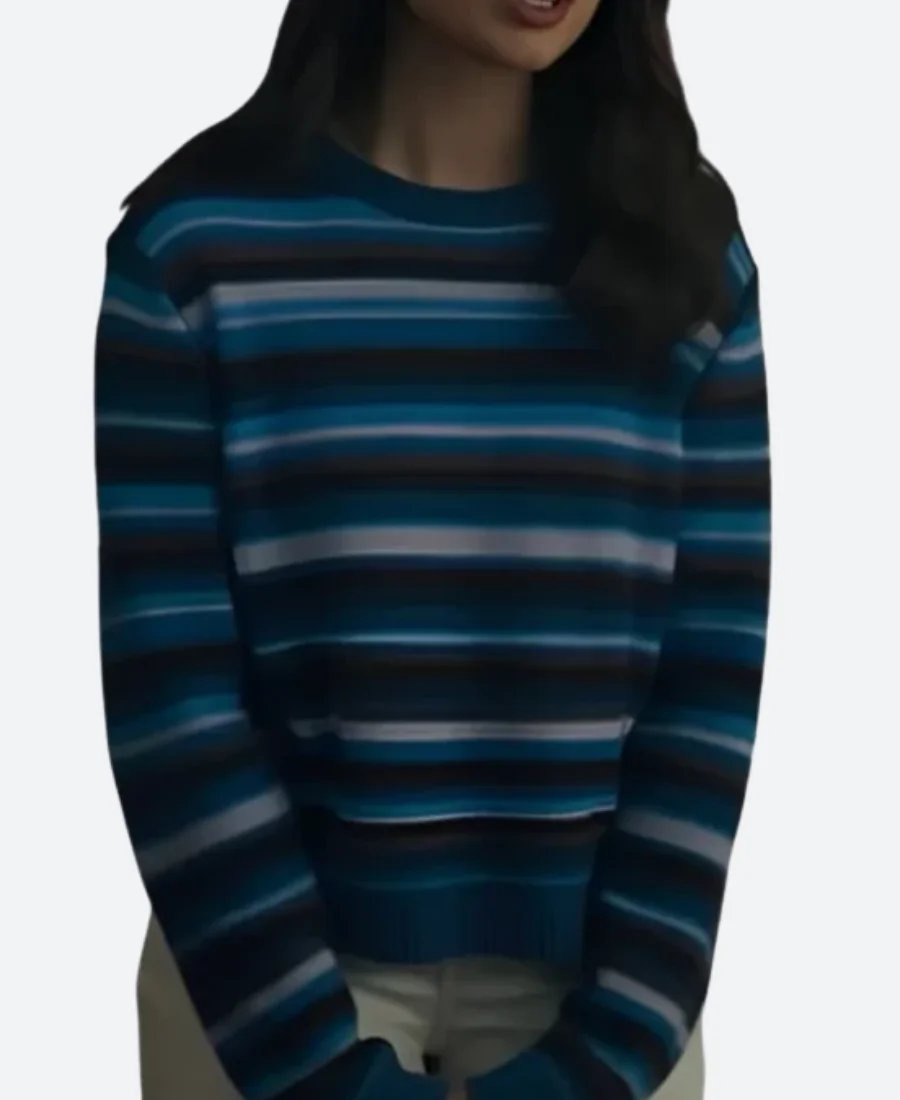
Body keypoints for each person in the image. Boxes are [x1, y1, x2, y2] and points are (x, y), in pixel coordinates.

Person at [94, 1, 770, 1099]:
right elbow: (173, 700)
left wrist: (604, 1054)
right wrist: (320, 1070)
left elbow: (710, 691)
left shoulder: (689, 257)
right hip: (261, 992)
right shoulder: (193, 253)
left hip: (605, 1000)